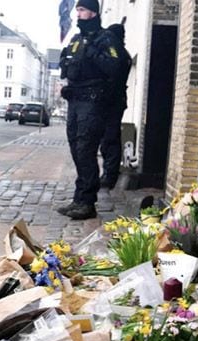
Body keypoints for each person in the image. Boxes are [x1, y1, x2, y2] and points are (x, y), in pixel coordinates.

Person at [56, 0, 131, 220]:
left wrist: (93, 54)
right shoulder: (77, 39)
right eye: (77, 10)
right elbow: (68, 64)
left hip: (94, 101)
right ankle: (79, 197)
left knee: (85, 148)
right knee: (75, 146)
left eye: (82, 10)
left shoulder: (105, 38)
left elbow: (116, 67)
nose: (78, 14)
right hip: (76, 100)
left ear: (93, 12)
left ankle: (87, 201)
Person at [99, 22, 132, 190]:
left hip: (113, 101)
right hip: (114, 100)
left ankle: (110, 174)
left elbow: (112, 77)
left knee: (109, 139)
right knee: (108, 138)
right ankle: (109, 172)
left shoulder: (119, 54)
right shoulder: (121, 53)